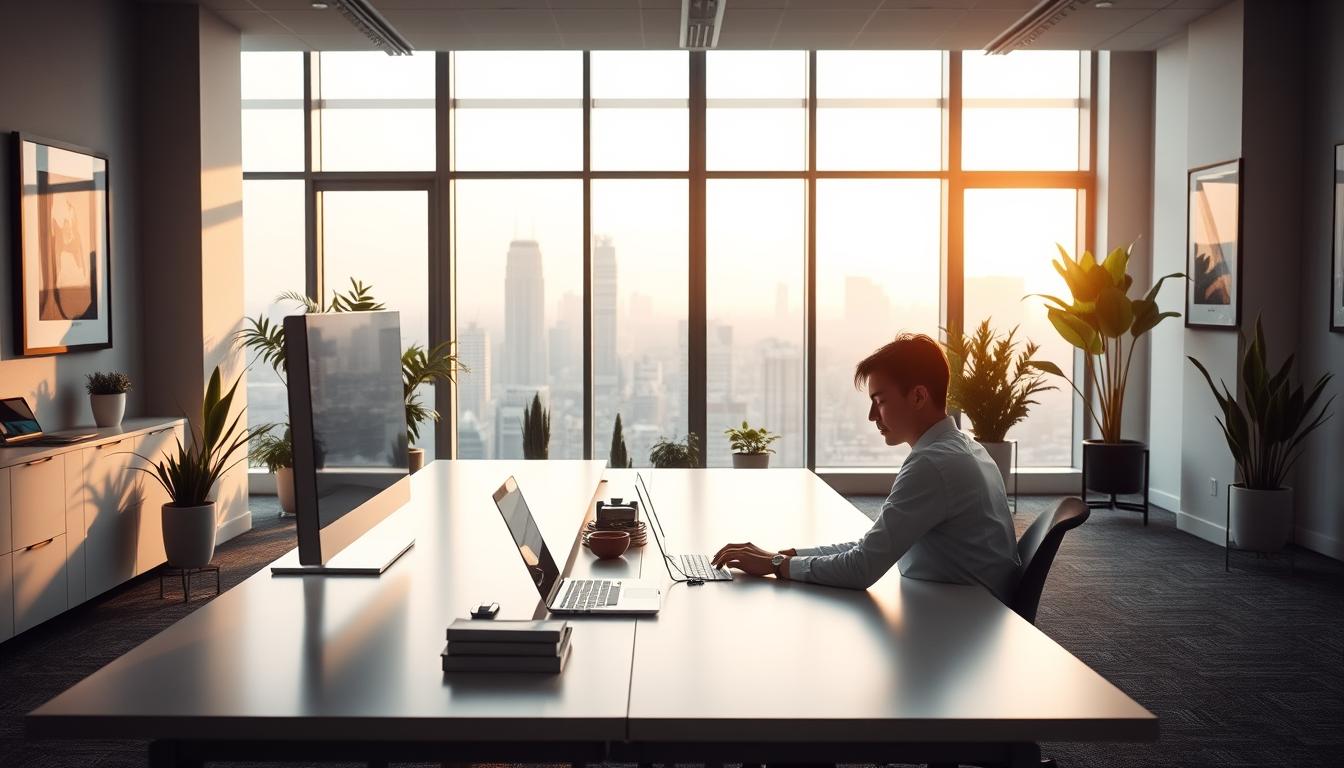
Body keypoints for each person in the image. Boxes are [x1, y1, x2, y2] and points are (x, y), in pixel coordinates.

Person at [710, 333, 1022, 603]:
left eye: (880, 401)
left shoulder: (932, 464)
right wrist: (783, 556)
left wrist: (775, 564)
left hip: (966, 618)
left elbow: (862, 568)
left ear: (918, 396)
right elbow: (872, 546)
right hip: (971, 610)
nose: (872, 415)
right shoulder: (965, 447)